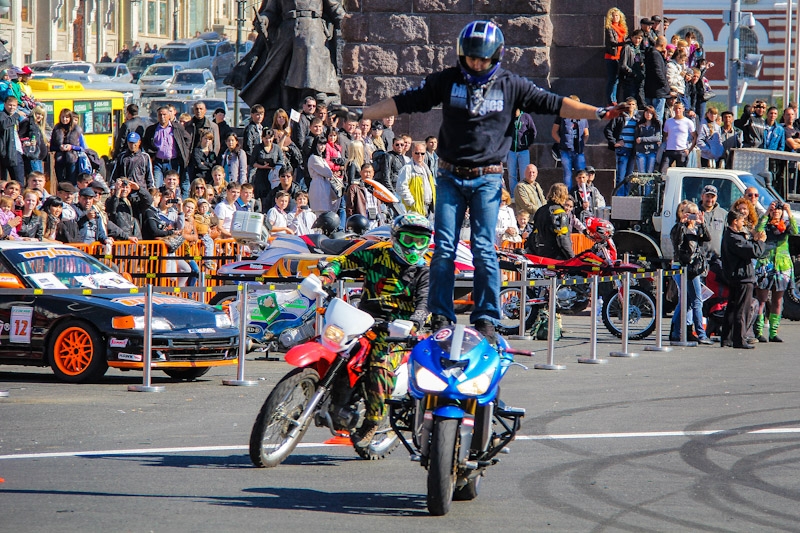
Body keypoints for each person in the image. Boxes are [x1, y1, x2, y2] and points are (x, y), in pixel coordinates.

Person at [356, 20, 622, 342]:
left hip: (488, 179)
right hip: (450, 176)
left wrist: (599, 113)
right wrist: (362, 114)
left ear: (496, 56)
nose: (476, 64)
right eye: (470, 58)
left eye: (482, 59)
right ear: (461, 55)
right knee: (443, 247)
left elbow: (556, 103)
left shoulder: (511, 85)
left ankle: (486, 321)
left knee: (484, 248)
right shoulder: (449, 80)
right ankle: (441, 316)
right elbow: (407, 100)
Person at [319, 213, 431, 447]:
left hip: (397, 332)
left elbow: (425, 304)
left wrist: (414, 323)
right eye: (409, 239)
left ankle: (372, 421)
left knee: (379, 366)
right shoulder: (377, 254)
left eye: (420, 241)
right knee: (332, 346)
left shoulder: (425, 272)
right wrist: (327, 275)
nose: (413, 247)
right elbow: (343, 261)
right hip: (363, 321)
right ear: (395, 238)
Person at [238, 0, 345, 113]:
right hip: (287, 33)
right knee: (281, 74)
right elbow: (270, 12)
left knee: (308, 55)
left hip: (313, 30)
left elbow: (335, 8)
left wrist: (349, 23)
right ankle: (287, 111)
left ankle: (311, 99)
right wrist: (264, 20)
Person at [720, 210, 766, 349]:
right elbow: (754, 251)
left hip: (737, 276)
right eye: (741, 221)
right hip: (742, 277)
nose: (743, 223)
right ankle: (739, 339)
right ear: (735, 221)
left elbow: (747, 246)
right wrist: (761, 242)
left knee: (732, 307)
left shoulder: (732, 236)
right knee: (742, 309)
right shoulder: (733, 237)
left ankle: (727, 338)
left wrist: (754, 240)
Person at [669, 200, 713, 344]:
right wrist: (681, 224)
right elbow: (676, 241)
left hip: (696, 267)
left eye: (695, 213)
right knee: (697, 301)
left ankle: (676, 332)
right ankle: (701, 334)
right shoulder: (679, 228)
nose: (692, 216)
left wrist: (702, 223)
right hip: (686, 267)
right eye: (689, 213)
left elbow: (707, 238)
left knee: (686, 302)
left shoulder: (697, 229)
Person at [753, 202, 797, 343]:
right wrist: (767, 213)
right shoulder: (766, 225)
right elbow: (758, 230)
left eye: (779, 210)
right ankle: (758, 331)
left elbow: (795, 231)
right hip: (766, 265)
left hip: (782, 267)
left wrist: (789, 212)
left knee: (778, 300)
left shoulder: (786, 226)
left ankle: (773, 332)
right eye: (774, 210)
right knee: (762, 299)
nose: (776, 212)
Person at [528, 183, 573, 260]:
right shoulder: (559, 212)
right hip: (556, 255)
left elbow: (534, 232)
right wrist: (571, 256)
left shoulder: (540, 210)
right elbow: (562, 237)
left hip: (541, 252)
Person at [604, 97, 639, 194]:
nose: (631, 106)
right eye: (629, 104)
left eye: (633, 104)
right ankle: (619, 197)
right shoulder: (619, 117)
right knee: (621, 176)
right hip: (622, 150)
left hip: (632, 150)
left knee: (629, 176)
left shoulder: (638, 119)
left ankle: (626, 196)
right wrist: (614, 142)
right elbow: (607, 130)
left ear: (636, 106)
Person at [552, 97, 589, 189]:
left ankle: (583, 193)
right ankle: (568, 195)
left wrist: (582, 143)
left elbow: (586, 133)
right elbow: (554, 132)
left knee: (582, 174)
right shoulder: (561, 115)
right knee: (567, 174)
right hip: (566, 150)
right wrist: (562, 142)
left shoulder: (583, 117)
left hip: (578, 150)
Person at [396, 141, 436, 218]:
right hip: (414, 210)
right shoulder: (407, 168)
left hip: (429, 208)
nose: (420, 155)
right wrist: (412, 203)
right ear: (412, 153)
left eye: (422, 153)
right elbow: (401, 188)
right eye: (417, 153)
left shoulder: (426, 169)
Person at [50, 109, 86, 185]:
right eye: (62, 117)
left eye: (67, 117)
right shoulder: (57, 129)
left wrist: (71, 147)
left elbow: (82, 148)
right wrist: (59, 148)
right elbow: (52, 146)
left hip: (72, 159)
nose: (64, 119)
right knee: (61, 183)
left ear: (70, 118)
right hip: (59, 160)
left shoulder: (77, 129)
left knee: (71, 183)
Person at [660, 101, 697, 172]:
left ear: (683, 109)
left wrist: (689, 149)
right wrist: (665, 145)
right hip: (669, 150)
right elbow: (665, 135)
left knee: (680, 172)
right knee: (663, 171)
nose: (678, 110)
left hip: (682, 151)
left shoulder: (688, 122)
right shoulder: (668, 121)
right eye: (676, 108)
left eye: (679, 108)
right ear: (674, 109)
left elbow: (695, 136)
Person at [507, 109, 536, 193]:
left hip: (523, 151)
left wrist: (528, 143)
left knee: (525, 174)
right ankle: (514, 195)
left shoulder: (526, 117)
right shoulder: (509, 116)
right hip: (511, 151)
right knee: (512, 174)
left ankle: (524, 194)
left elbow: (533, 131)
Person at [604, 7, 628, 105]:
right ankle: (611, 100)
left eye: (617, 15)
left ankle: (614, 99)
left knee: (617, 80)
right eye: (614, 16)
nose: (616, 17)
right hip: (612, 56)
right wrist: (624, 43)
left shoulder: (622, 28)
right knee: (612, 79)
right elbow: (612, 42)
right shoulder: (609, 28)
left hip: (620, 57)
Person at [644, 36, 671, 124]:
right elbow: (658, 71)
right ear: (663, 45)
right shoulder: (655, 54)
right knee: (657, 117)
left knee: (649, 116)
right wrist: (665, 85)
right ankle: (656, 132)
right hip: (658, 91)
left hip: (650, 90)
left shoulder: (651, 53)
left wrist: (664, 58)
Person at [618, 29, 646, 108]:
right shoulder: (627, 47)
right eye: (635, 38)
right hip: (629, 78)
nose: (637, 40)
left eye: (639, 38)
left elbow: (637, 61)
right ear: (632, 37)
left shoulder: (638, 49)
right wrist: (632, 73)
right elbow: (623, 65)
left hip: (637, 78)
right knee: (629, 100)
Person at [634, 105, 662, 173]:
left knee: (650, 172)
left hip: (652, 150)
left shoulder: (657, 124)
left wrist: (642, 139)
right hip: (641, 151)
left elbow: (657, 138)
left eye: (651, 113)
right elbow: (637, 138)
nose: (648, 115)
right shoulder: (639, 123)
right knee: (642, 172)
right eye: (647, 112)